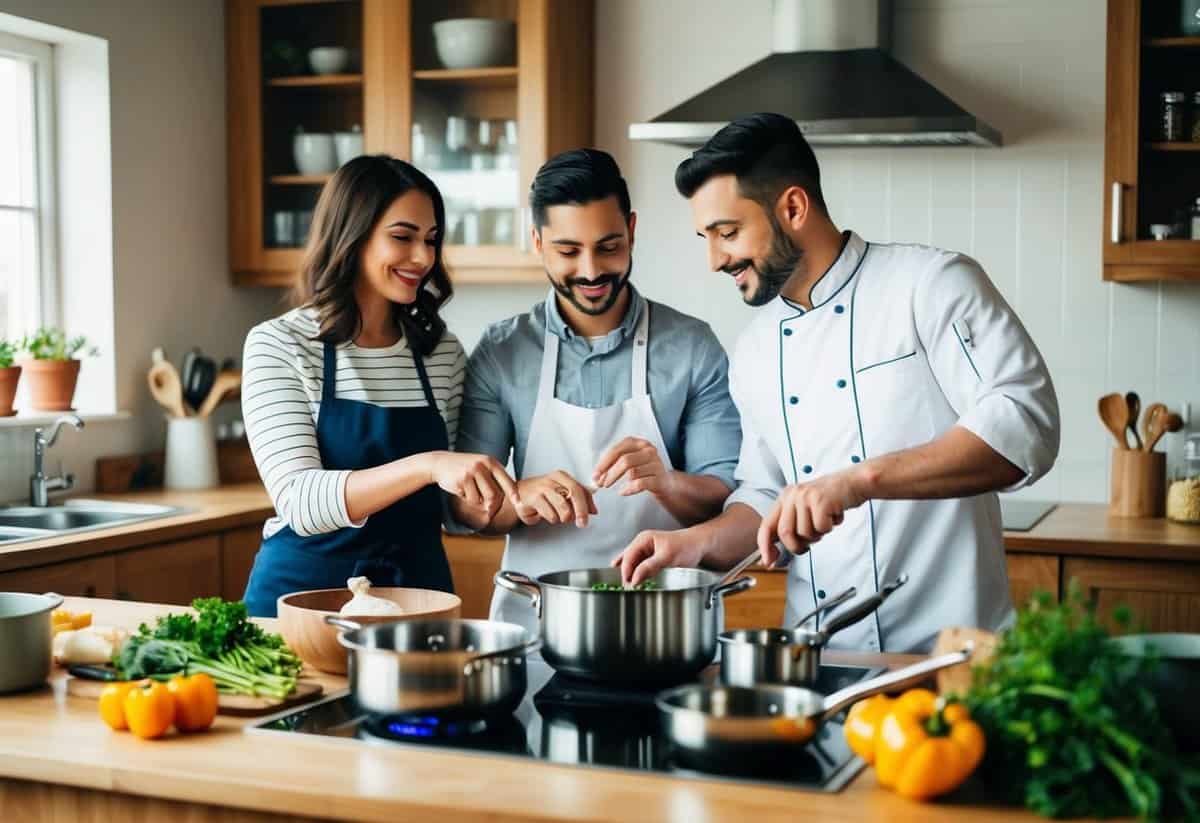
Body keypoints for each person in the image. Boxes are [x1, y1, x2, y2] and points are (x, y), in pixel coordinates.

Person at [615, 113, 1060, 652]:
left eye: (728, 233)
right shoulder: (756, 349)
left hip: (948, 658)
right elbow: (763, 497)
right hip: (819, 661)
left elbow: (1024, 425)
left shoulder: (929, 285)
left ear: (793, 208)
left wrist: (854, 481)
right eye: (706, 237)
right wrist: (691, 544)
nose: (715, 259)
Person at [453, 148, 742, 635]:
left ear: (631, 230)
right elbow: (465, 505)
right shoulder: (503, 350)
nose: (590, 271)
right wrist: (517, 499)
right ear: (538, 241)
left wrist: (668, 482)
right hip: (537, 622)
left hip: (665, 624)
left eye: (608, 247)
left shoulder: (692, 346)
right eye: (568, 251)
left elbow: (725, 497)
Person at [241, 155, 518, 617]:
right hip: (304, 603)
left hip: (417, 599)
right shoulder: (281, 344)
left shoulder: (440, 352)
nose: (424, 258)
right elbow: (300, 502)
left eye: (431, 240)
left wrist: (516, 499)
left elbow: (450, 509)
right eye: (402, 237)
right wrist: (428, 464)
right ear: (352, 235)